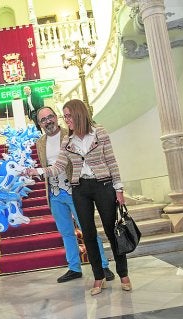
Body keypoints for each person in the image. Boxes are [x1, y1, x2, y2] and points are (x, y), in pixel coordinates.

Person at [24, 99, 131, 296]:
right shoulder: (64, 140)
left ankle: (119, 272)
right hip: (74, 189)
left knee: (109, 231)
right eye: (44, 120)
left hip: (100, 185)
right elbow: (57, 167)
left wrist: (119, 189)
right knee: (82, 233)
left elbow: (112, 162)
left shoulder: (97, 132)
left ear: (78, 114)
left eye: (66, 116)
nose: (63, 120)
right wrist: (35, 171)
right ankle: (92, 275)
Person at [34, 106, 115, 284]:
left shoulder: (70, 134)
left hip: (75, 190)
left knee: (88, 230)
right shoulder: (40, 143)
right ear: (39, 124)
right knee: (66, 232)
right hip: (55, 194)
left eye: (50, 117)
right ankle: (74, 268)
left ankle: (103, 265)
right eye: (43, 119)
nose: (48, 121)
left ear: (57, 117)